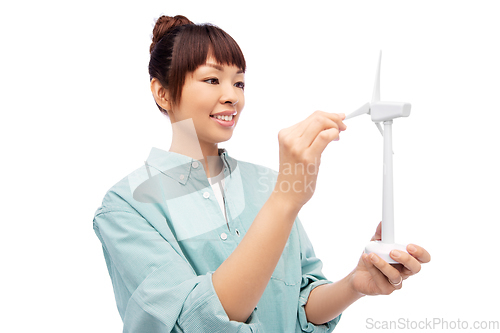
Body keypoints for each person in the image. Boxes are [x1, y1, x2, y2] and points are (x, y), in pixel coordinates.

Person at [92, 15, 431, 332]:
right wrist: (285, 199)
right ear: (162, 93)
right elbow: (198, 322)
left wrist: (355, 284)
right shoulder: (126, 206)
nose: (232, 97)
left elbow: (301, 303)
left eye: (239, 83)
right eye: (212, 80)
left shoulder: (267, 183)